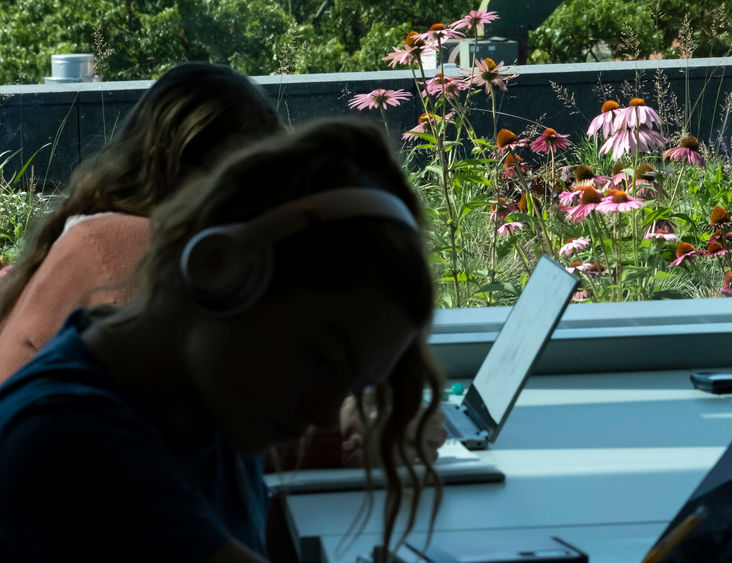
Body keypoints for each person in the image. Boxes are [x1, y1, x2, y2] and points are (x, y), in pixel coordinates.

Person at [0, 117, 444, 562]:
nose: (325, 415)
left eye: (351, 388)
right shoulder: (68, 448)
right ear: (221, 271)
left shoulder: (199, 406)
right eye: (323, 357)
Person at [0, 62, 283, 382]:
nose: (249, 209)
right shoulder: (127, 246)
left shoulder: (95, 232)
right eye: (235, 185)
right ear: (167, 163)